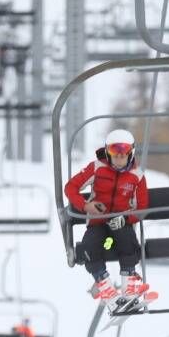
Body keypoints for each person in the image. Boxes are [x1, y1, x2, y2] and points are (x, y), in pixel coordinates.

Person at [63, 127, 152, 305]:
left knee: (127, 239)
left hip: (121, 222)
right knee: (88, 247)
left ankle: (129, 288)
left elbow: (142, 208)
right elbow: (70, 187)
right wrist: (86, 205)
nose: (119, 156)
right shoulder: (97, 168)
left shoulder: (137, 176)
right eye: (114, 151)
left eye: (124, 151)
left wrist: (126, 219)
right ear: (107, 151)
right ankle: (107, 290)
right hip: (98, 222)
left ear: (131, 152)